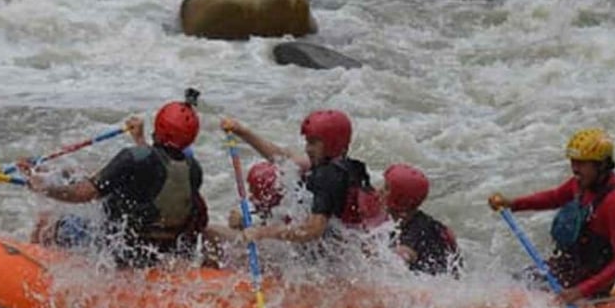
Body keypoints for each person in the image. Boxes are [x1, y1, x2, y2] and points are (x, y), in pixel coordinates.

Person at [22, 100, 208, 266]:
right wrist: (140, 140)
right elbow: (157, 173)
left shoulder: (132, 159)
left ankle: (29, 272)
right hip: (160, 253)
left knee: (47, 223)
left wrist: (46, 189)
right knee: (82, 176)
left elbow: (84, 194)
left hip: (121, 250)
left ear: (158, 127)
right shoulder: (194, 170)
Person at [487, 127, 615, 302]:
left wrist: (580, 291)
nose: (575, 168)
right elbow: (554, 198)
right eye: (573, 161)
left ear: (601, 165)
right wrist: (512, 204)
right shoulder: (581, 184)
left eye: (582, 163)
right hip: (569, 267)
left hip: (590, 281)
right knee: (511, 282)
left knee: (529, 297)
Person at [221, 110, 383, 251]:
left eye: (313, 143)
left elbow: (312, 230)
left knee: (212, 233)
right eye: (307, 142)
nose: (307, 148)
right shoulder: (348, 166)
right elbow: (281, 156)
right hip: (345, 249)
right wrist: (242, 131)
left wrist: (262, 232)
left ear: (331, 144)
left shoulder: (327, 177)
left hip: (326, 260)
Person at [382, 164, 461, 276]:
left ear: (398, 199)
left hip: (432, 286)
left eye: (386, 188)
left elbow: (402, 256)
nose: (379, 191)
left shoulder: (418, 229)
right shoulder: (416, 220)